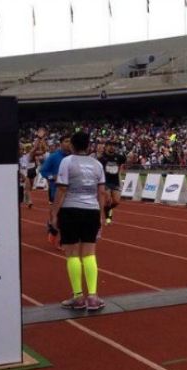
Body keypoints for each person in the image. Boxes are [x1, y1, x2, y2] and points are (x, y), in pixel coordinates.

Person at [52, 131, 106, 311]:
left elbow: (61, 190)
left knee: (72, 254)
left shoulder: (66, 162)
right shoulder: (97, 164)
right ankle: (92, 296)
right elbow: (102, 192)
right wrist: (102, 214)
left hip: (70, 210)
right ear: (89, 146)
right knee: (90, 253)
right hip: (91, 210)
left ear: (72, 146)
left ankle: (77, 296)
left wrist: (53, 213)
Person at [39, 135, 71, 246]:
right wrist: (53, 177)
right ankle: (58, 235)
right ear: (60, 143)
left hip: (72, 191)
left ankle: (54, 229)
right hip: (56, 190)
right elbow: (43, 171)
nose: (69, 143)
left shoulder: (74, 157)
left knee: (67, 216)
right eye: (66, 141)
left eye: (70, 142)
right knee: (61, 216)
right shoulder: (54, 157)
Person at [98, 141, 126, 225]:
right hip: (105, 182)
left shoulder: (119, 157)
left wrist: (120, 171)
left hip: (115, 181)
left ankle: (105, 209)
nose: (112, 147)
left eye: (114, 146)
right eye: (110, 145)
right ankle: (108, 219)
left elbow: (124, 164)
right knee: (108, 201)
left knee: (116, 202)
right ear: (105, 147)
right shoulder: (102, 158)